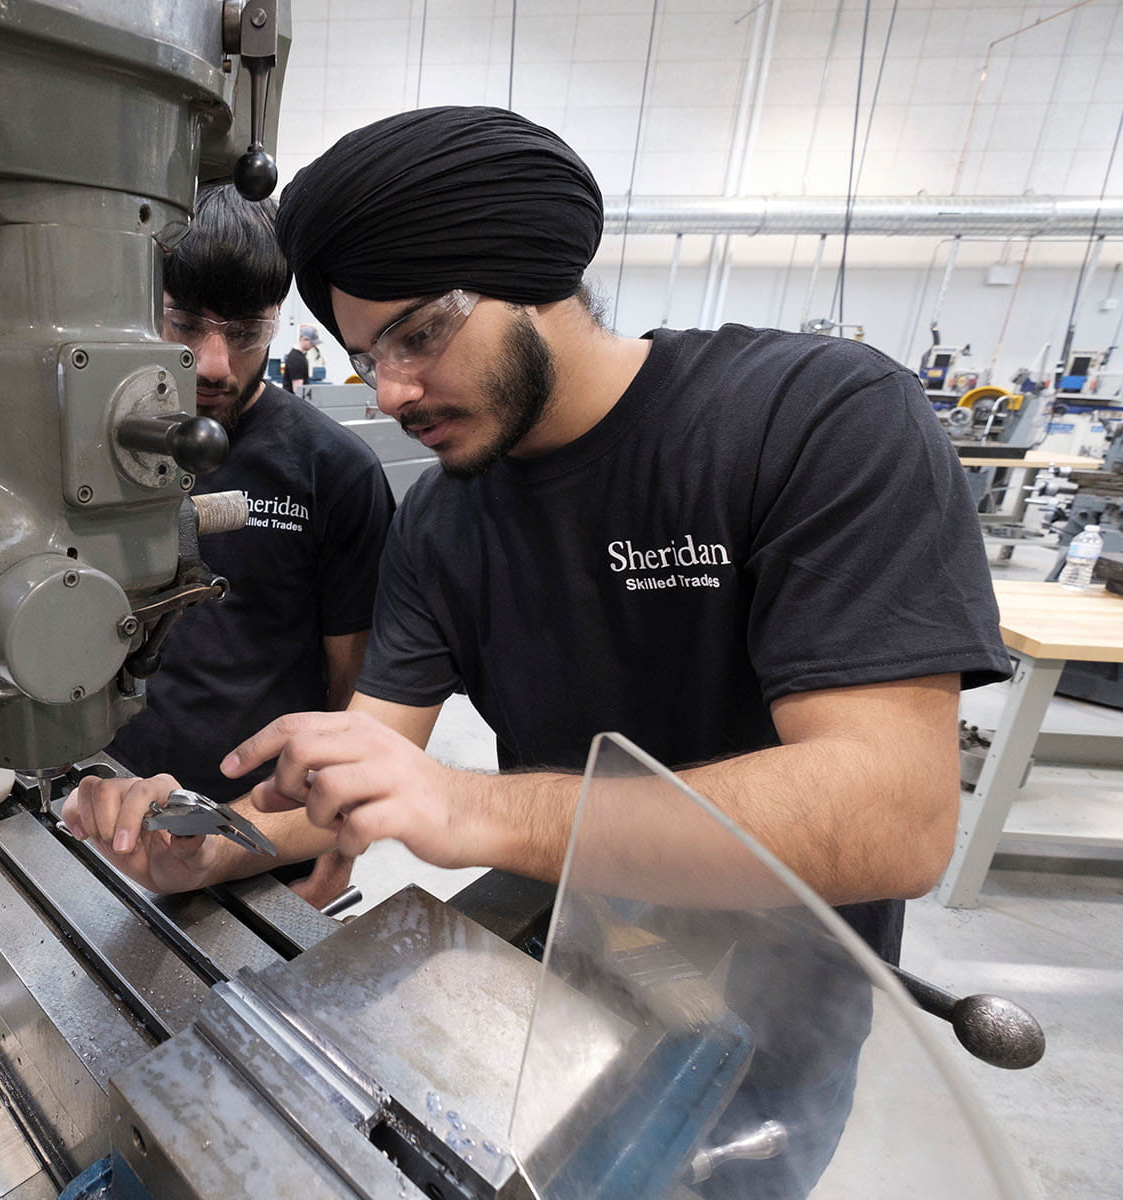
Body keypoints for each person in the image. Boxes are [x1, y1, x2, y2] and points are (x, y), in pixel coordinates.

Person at [63, 107, 1010, 961]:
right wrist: (210, 842)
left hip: (782, 984)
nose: (387, 392)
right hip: (565, 949)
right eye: (364, 356)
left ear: (535, 278)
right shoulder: (441, 522)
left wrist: (469, 804)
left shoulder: (813, 420)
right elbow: (366, 762)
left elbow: (892, 816)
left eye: (419, 334)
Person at [102, 183, 395, 905]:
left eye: (245, 332)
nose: (211, 363)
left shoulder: (334, 472)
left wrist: (339, 834)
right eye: (185, 324)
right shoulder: (95, 455)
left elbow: (352, 690)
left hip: (263, 825)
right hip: (123, 807)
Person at [281, 325, 318, 393]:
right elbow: (298, 390)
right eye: (312, 342)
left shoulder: (297, 356)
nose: (314, 345)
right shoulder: (297, 359)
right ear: (304, 339)